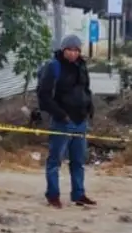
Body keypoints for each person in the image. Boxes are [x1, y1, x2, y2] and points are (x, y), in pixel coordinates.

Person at [37, 35, 95, 209]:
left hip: (80, 121)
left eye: (77, 50)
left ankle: (78, 194)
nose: (73, 53)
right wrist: (61, 115)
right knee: (55, 161)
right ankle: (53, 195)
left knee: (78, 161)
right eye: (70, 49)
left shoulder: (81, 66)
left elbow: (86, 89)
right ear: (63, 50)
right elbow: (44, 96)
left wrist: (90, 108)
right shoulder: (53, 67)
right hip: (62, 121)